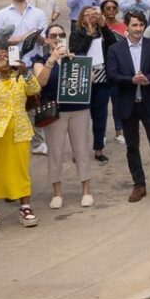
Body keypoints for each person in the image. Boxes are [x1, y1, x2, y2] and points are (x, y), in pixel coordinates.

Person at [0, 45, 49, 229]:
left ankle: (25, 208)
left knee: (21, 170)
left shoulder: (20, 78)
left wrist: (25, 72)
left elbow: (35, 89)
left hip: (20, 131)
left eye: (6, 57)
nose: (4, 60)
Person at [108, 10, 150, 203]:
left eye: (141, 25)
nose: (138, 29)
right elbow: (112, 75)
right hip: (128, 105)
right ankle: (139, 185)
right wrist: (131, 80)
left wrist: (148, 79)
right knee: (132, 146)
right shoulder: (115, 49)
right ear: (126, 26)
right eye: (134, 25)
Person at [29, 25, 94, 209]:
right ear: (47, 39)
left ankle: (86, 191)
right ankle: (57, 193)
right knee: (55, 152)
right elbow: (40, 82)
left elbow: (89, 80)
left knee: (81, 150)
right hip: (54, 112)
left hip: (79, 109)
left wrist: (77, 65)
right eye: (53, 35)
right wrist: (52, 60)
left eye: (61, 35)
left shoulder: (75, 57)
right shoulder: (40, 60)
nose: (57, 38)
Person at [72, 7, 118, 163]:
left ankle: (98, 149)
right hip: (83, 82)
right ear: (81, 17)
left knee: (100, 117)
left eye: (94, 15)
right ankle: (78, 151)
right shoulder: (76, 34)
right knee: (81, 120)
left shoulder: (103, 33)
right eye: (88, 14)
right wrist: (89, 36)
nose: (91, 17)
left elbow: (114, 45)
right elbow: (77, 52)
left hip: (102, 81)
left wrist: (103, 25)